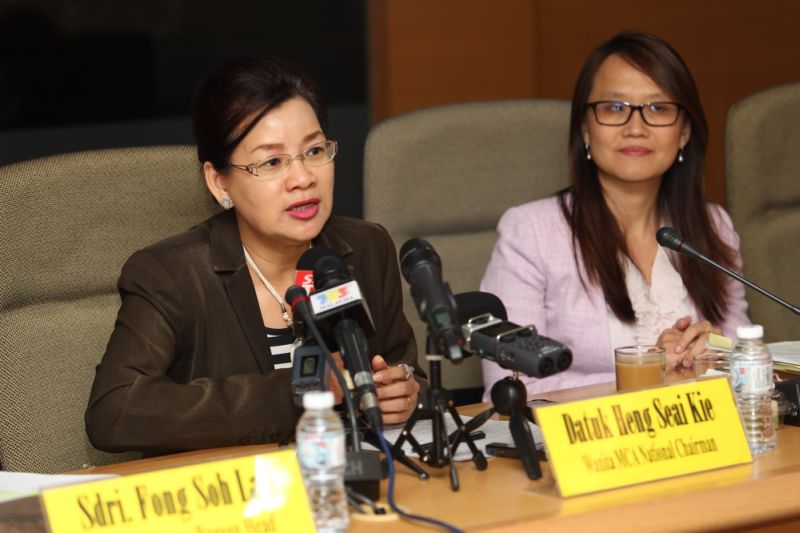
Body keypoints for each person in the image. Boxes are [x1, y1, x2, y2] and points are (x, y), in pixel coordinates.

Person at [85, 57, 422, 454]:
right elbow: (116, 411)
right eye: (273, 162)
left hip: (348, 485)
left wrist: (405, 391)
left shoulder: (365, 248)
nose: (303, 178)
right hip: (231, 501)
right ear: (219, 181)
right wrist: (300, 391)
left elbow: (403, 368)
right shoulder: (171, 273)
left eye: (314, 151)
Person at [481, 32, 749, 396]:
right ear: (585, 130)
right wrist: (646, 373)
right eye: (614, 108)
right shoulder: (531, 232)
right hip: (588, 450)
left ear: (684, 132)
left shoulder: (714, 225)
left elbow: (748, 359)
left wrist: (718, 355)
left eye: (658, 108)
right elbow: (509, 385)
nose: (635, 128)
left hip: (700, 443)